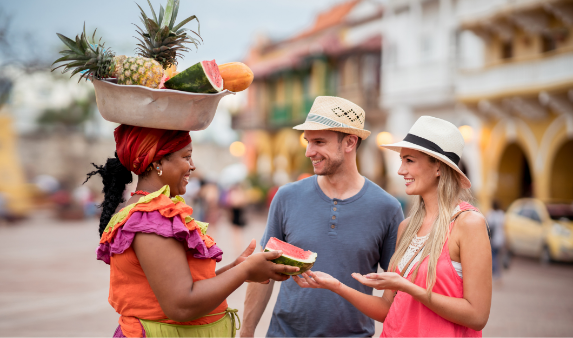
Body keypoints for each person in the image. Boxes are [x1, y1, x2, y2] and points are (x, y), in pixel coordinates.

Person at [86, 125, 299, 338]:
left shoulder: (152, 210)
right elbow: (181, 306)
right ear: (158, 162)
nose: (193, 166)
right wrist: (245, 271)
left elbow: (184, 285)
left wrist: (236, 269)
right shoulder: (151, 217)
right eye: (186, 157)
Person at [294, 116, 492, 338]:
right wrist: (336, 286)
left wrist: (407, 287)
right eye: (401, 161)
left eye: (409, 160)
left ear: (438, 166)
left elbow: (477, 316)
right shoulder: (406, 227)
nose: (400, 170)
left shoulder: (469, 223)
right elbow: (387, 309)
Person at [241, 96, 404, 338]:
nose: (308, 152)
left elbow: (397, 289)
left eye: (318, 142)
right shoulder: (287, 196)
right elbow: (263, 271)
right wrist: (247, 331)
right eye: (307, 141)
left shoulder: (387, 208)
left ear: (349, 142)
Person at [486, 200, 505, 278]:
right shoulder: (501, 214)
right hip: (500, 238)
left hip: (492, 239)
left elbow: (487, 226)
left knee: (493, 255)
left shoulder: (490, 214)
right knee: (498, 256)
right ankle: (498, 273)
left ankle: (494, 273)